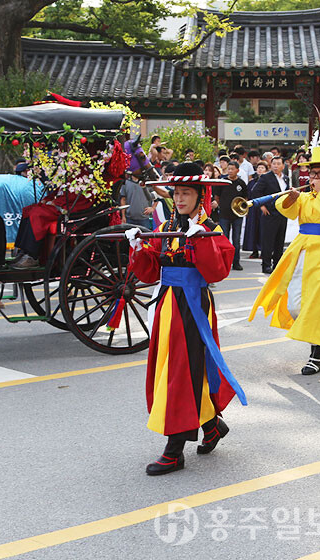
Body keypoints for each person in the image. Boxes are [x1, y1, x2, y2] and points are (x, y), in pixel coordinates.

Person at [128, 163, 244, 476]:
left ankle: (174, 449)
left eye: (186, 193)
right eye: (176, 192)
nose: (179, 199)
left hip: (193, 308)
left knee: (182, 374)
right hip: (166, 306)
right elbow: (152, 270)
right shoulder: (166, 228)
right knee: (175, 370)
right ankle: (211, 426)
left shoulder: (211, 229)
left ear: (200, 196)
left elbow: (217, 271)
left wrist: (202, 239)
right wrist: (138, 248)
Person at [249, 135, 320, 375]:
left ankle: (318, 352)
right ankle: (316, 341)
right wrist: (290, 199)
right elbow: (286, 211)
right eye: (312, 174)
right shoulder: (305, 197)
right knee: (296, 304)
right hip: (304, 253)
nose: (315, 178)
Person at [250, 156, 289, 274]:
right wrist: (262, 206)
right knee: (268, 240)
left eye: (278, 164)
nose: (276, 166)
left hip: (283, 213)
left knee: (280, 240)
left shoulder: (286, 178)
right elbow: (255, 191)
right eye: (274, 164)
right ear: (271, 165)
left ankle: (277, 264)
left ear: (283, 166)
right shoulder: (266, 177)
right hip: (270, 213)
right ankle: (266, 265)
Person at [216, 161, 247, 271]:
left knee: (236, 239)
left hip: (237, 216)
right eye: (229, 169)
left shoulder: (241, 183)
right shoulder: (223, 182)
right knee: (224, 239)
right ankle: (224, 262)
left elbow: (245, 199)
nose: (230, 171)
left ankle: (236, 262)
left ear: (237, 170)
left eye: (232, 169)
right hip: (224, 215)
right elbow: (217, 197)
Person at [242, 161, 266, 259]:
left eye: (262, 168)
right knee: (253, 229)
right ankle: (254, 250)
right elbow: (247, 195)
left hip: (264, 207)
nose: (260, 169)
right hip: (252, 208)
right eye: (258, 167)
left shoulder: (267, 181)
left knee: (263, 230)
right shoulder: (252, 182)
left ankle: (263, 251)